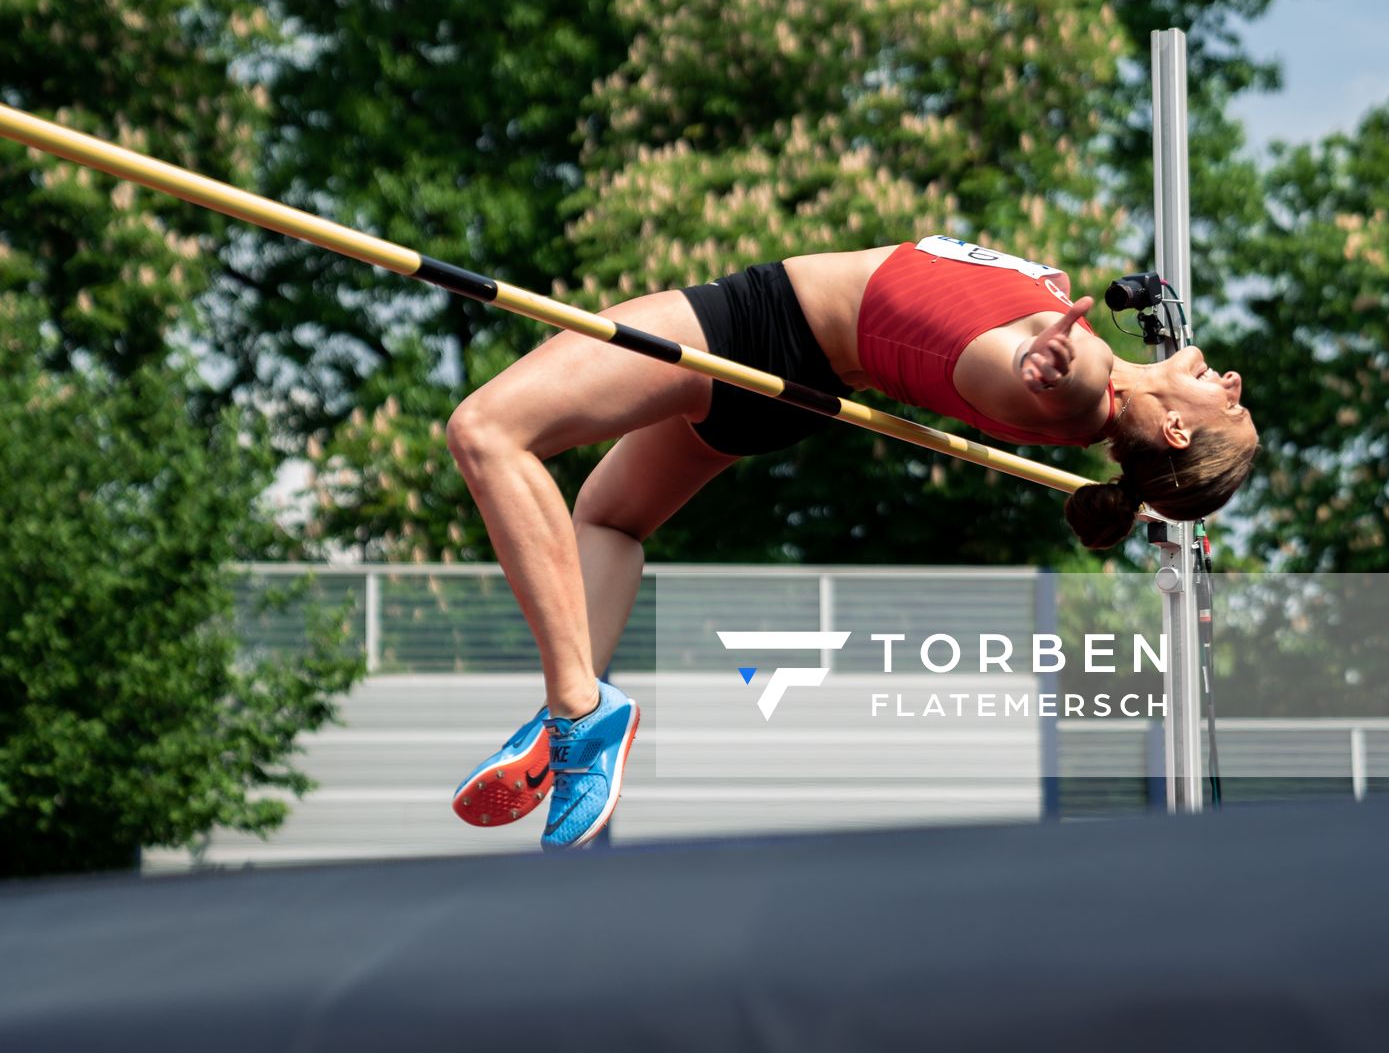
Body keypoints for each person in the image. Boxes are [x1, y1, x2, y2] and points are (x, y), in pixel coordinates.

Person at [443, 236, 1258, 848]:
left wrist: (1040, 362)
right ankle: (571, 706)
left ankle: (577, 713)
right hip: (794, 382)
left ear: (1179, 428)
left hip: (756, 330)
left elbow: (1042, 370)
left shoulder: (1080, 385)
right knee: (610, 519)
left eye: (1232, 405)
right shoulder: (1104, 386)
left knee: (487, 431)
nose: (1232, 381)